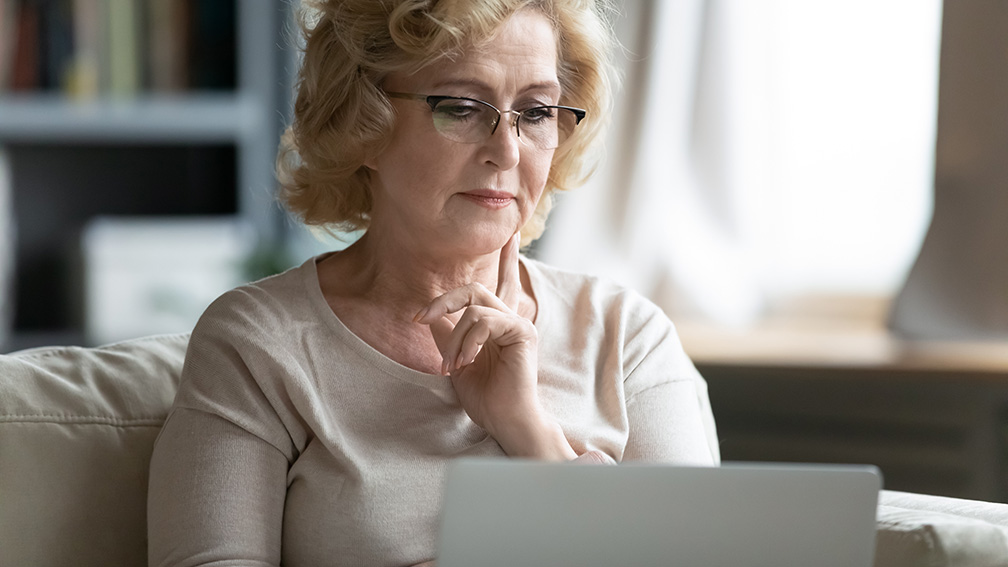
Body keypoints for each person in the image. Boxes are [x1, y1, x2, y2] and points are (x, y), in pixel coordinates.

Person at [147, 0, 719, 565]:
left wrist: (530, 433)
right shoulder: (257, 343)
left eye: (538, 112)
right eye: (463, 107)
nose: (506, 151)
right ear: (361, 120)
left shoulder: (628, 337)